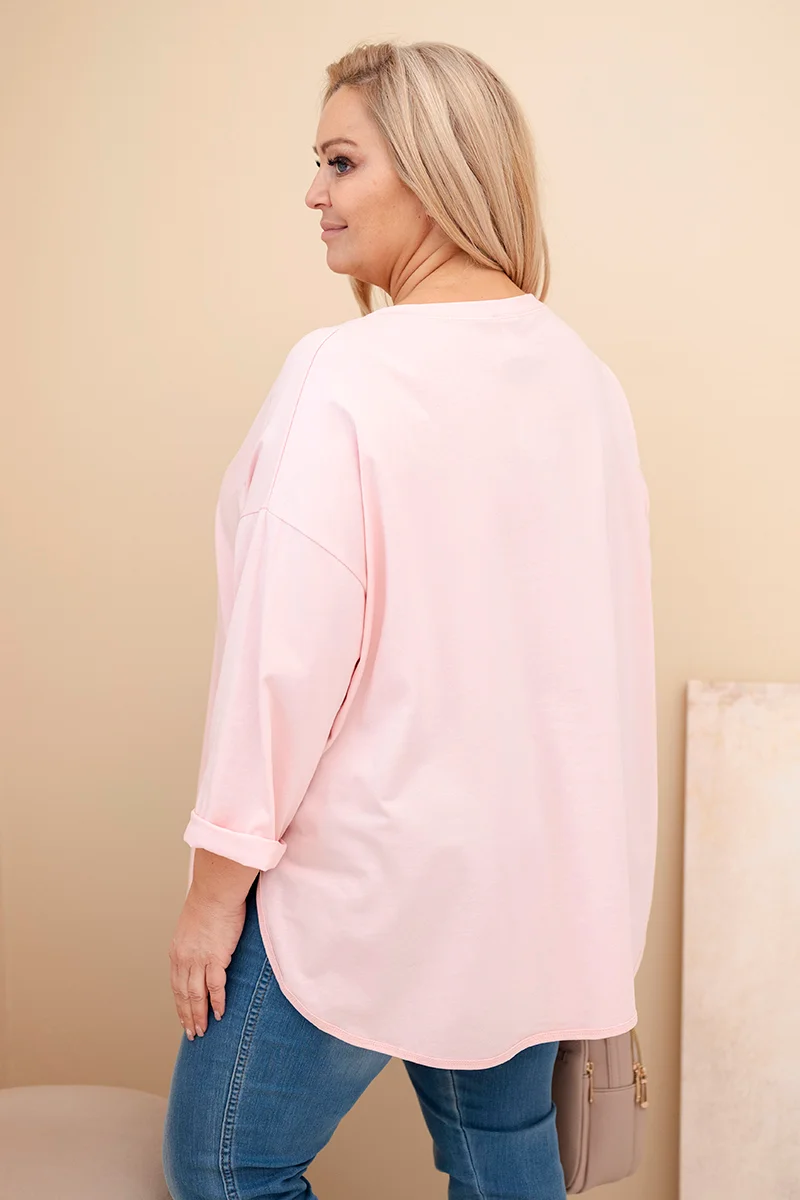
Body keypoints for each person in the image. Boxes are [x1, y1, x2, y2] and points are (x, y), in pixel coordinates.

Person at [162, 38, 658, 1200]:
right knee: (503, 1158)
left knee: (226, 1165)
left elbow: (282, 662)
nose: (313, 193)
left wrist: (211, 898)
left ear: (434, 170)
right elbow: (598, 659)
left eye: (340, 161)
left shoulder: (345, 374)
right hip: (539, 886)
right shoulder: (584, 381)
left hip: (373, 877)